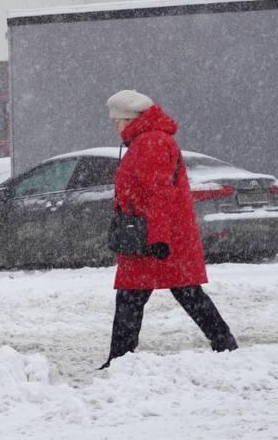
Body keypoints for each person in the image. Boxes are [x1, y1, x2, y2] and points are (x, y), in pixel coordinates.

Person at [100, 89, 239, 369]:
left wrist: (159, 239)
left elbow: (159, 194)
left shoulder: (151, 143)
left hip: (155, 237)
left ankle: (120, 359)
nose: (115, 127)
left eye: (117, 121)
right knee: (173, 293)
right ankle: (224, 345)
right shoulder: (145, 141)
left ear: (129, 119)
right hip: (150, 233)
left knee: (149, 294)